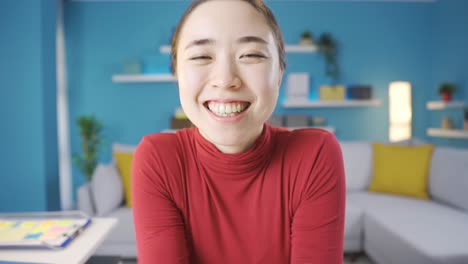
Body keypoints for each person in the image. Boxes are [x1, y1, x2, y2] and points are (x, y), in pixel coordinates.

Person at [131, 0, 345, 263]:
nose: (225, 79)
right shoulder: (158, 159)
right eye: (201, 56)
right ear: (177, 74)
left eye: (251, 55)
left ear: (279, 72)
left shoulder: (314, 155)